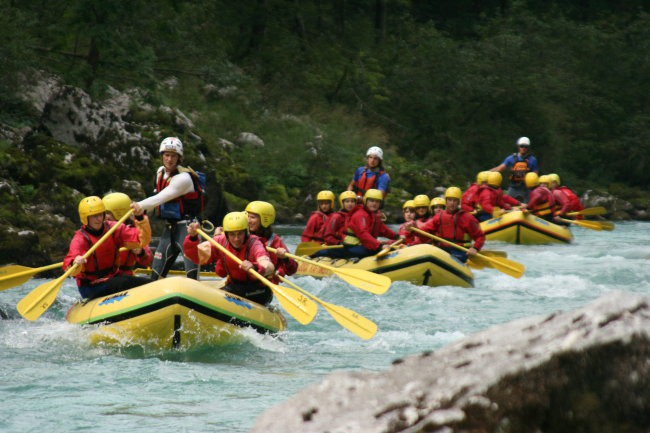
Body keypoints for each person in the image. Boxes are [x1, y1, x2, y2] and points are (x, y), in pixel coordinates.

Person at [131, 137, 204, 281]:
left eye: (174, 156)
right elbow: (155, 198)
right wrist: (140, 213)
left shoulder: (184, 178)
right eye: (167, 155)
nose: (170, 159)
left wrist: (139, 205)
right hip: (170, 228)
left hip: (188, 229)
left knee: (191, 277)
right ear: (162, 156)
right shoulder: (160, 173)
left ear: (179, 158)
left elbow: (161, 198)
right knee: (155, 276)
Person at [63, 196, 150, 300]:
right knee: (123, 282)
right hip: (91, 286)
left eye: (100, 214)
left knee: (148, 283)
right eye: (94, 216)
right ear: (85, 218)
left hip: (113, 277)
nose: (99, 219)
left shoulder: (113, 228)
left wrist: (140, 217)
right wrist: (75, 262)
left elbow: (142, 240)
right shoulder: (80, 238)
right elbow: (69, 266)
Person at [184, 212, 275, 305]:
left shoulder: (255, 243)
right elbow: (196, 256)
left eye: (240, 234)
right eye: (232, 234)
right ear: (226, 234)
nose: (236, 239)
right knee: (229, 290)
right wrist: (193, 238)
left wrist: (255, 267)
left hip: (259, 290)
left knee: (228, 291)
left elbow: (268, 266)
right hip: (235, 286)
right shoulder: (220, 241)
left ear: (246, 232)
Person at [409, 187, 485, 263]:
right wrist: (413, 230)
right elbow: (425, 232)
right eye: (449, 200)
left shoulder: (468, 218)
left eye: (455, 200)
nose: (452, 203)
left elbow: (480, 236)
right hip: (442, 249)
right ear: (446, 201)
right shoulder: (439, 217)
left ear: (459, 202)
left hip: (459, 251)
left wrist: (475, 248)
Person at [245, 200, 298, 283]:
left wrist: (285, 258)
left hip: (263, 285)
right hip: (243, 281)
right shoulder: (241, 236)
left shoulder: (275, 241)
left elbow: (292, 270)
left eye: (252, 217)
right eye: (247, 216)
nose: (248, 220)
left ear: (264, 219)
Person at [103, 192, 153, 275]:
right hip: (105, 276)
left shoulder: (132, 232)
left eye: (107, 213)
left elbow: (147, 260)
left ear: (119, 212)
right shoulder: (99, 229)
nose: (104, 216)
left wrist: (141, 252)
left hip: (124, 274)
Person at [341, 188, 400, 258]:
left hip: (363, 244)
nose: (374, 204)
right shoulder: (360, 215)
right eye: (371, 201)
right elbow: (363, 234)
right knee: (382, 249)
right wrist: (380, 246)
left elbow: (383, 230)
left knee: (392, 249)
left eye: (377, 201)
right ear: (366, 201)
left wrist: (397, 236)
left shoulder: (374, 215)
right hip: (353, 246)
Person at [491, 136, 539, 203]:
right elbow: (499, 168)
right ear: (518, 146)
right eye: (522, 146)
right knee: (508, 204)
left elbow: (535, 176)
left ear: (528, 147)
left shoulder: (533, 160)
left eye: (526, 146)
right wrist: (487, 173)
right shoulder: (511, 158)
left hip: (526, 189)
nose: (523, 148)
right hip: (513, 187)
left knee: (527, 207)